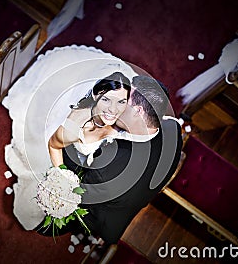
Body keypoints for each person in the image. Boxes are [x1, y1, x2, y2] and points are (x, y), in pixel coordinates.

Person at [62, 75, 183, 246]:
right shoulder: (173, 129)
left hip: (97, 217)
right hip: (130, 202)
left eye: (124, 100)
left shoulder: (108, 172)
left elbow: (75, 186)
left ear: (139, 111)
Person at [48, 71, 131, 168]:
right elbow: (53, 146)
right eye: (106, 100)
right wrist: (62, 176)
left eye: (121, 102)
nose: (113, 109)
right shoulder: (74, 127)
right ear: (96, 96)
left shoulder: (128, 120)